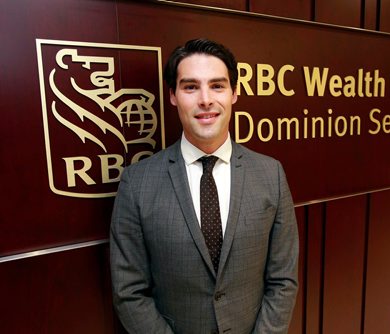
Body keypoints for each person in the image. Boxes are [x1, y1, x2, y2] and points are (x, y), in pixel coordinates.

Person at [110, 38, 299, 334]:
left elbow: (283, 280)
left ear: (234, 93)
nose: (205, 99)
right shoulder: (137, 183)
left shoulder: (270, 174)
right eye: (190, 87)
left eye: (217, 85)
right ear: (172, 95)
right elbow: (129, 292)